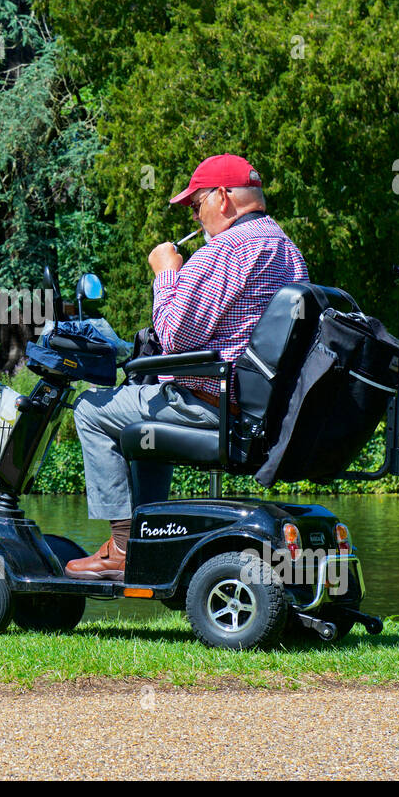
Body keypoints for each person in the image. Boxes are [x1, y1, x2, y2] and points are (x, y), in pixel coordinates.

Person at [64, 154, 310, 580]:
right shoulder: (287, 249)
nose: (194, 214)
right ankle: (146, 537)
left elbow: (175, 335)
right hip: (257, 410)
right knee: (138, 425)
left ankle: (122, 548)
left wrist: (165, 273)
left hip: (209, 402)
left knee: (90, 408)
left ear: (222, 197)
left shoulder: (230, 248)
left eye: (195, 204)